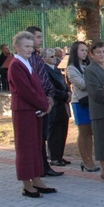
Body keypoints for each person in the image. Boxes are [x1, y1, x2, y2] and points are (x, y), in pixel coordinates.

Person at [7, 31, 56, 198]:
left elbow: (37, 87)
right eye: (25, 46)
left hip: (34, 111)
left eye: (30, 46)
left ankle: (37, 180)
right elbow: (25, 91)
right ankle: (27, 185)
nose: (29, 49)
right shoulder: (16, 65)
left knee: (36, 146)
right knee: (25, 148)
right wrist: (43, 105)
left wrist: (45, 104)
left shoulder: (27, 63)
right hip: (24, 111)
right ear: (17, 47)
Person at [25, 26, 62, 178]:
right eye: (38, 37)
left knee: (43, 136)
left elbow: (45, 79)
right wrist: (43, 100)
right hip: (37, 103)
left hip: (46, 99)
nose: (41, 40)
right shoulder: (28, 59)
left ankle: (43, 166)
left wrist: (50, 96)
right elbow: (35, 81)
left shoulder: (37, 56)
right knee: (38, 137)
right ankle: (39, 168)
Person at [84, 42, 104, 184]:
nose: (102, 55)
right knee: (102, 141)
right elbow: (95, 92)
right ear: (92, 54)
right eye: (98, 52)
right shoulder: (90, 70)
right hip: (100, 110)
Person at [66, 41, 99, 172]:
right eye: (82, 50)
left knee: (90, 132)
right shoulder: (71, 68)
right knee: (83, 131)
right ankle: (86, 161)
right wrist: (94, 82)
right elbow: (82, 84)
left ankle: (89, 159)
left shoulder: (87, 66)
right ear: (75, 51)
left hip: (90, 101)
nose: (85, 53)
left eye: (86, 50)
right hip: (80, 102)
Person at [43, 47, 71, 167]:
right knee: (54, 132)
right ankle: (54, 157)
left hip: (63, 104)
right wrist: (64, 95)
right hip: (55, 104)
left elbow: (64, 83)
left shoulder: (56, 69)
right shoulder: (44, 70)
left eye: (55, 56)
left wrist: (68, 92)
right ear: (44, 59)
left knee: (62, 130)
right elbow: (51, 88)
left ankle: (60, 155)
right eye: (52, 57)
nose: (55, 59)